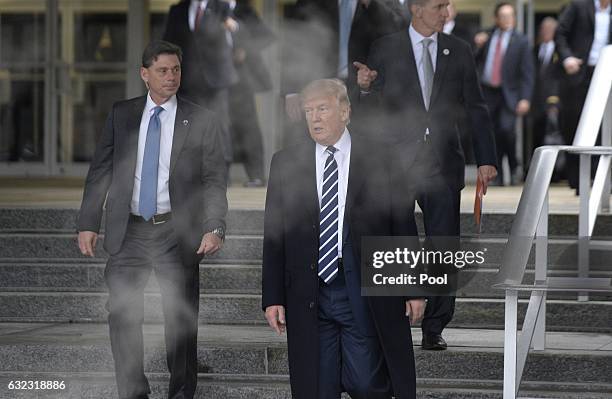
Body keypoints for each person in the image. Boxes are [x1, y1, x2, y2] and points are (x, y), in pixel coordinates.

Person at [76, 40, 228, 399]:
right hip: (128, 233)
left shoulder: (201, 119)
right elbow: (101, 171)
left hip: (177, 233)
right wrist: (88, 222)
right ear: (145, 74)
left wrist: (215, 225)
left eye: (176, 69)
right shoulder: (122, 114)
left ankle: (180, 394)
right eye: (162, 70)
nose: (171, 77)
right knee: (124, 317)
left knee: (180, 320)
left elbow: (214, 180)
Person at [262, 78, 425, 398]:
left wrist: (413, 288)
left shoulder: (381, 157)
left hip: (362, 289)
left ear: (346, 111)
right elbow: (274, 235)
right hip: (310, 292)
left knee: (369, 384)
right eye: (309, 110)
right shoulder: (286, 162)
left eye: (322, 109)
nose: (314, 117)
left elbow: (401, 224)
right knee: (317, 386)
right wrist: (272, 296)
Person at [354, 0, 497, 350]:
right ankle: (393, 316)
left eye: (446, 6)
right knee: (393, 242)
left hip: (442, 163)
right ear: (416, 8)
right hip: (394, 164)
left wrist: (486, 158)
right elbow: (370, 112)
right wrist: (364, 88)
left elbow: (476, 106)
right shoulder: (385, 47)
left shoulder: (458, 50)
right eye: (439, 6)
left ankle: (435, 325)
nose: (446, 13)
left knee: (443, 245)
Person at [281, 0, 406, 144]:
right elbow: (292, 40)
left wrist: (373, 5)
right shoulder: (312, 3)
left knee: (360, 146)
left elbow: (397, 33)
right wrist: (291, 91)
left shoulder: (379, 5)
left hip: (361, 89)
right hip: (317, 85)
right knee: (313, 147)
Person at [163, 0, 239, 177]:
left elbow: (238, 28)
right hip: (187, 80)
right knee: (186, 126)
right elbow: (168, 43)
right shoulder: (178, 10)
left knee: (219, 125)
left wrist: (233, 27)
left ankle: (220, 174)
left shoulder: (222, 6)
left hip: (216, 79)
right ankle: (189, 173)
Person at [474, 2, 535, 186]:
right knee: (490, 134)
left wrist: (525, 98)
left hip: (509, 93)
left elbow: (527, 72)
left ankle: (515, 166)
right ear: (496, 19)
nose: (507, 20)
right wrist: (478, 43)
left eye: (510, 16)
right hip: (487, 92)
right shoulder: (487, 36)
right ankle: (497, 174)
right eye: (503, 16)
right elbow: (474, 60)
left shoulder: (522, 41)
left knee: (506, 130)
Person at [555, 0, 611, 191]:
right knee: (577, 124)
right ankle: (578, 180)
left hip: (606, 73)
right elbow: (560, 33)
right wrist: (567, 57)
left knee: (606, 126)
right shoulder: (579, 5)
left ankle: (601, 179)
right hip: (579, 73)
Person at [227, 0, 275, 187]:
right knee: (216, 126)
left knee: (248, 125)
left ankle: (256, 175)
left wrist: (245, 49)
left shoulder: (243, 8)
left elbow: (266, 36)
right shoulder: (208, 8)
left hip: (240, 77)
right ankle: (220, 177)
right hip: (212, 77)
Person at [531, 17, 561, 150]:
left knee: (553, 139)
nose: (546, 32)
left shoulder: (561, 52)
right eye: (543, 29)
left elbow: (560, 79)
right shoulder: (534, 50)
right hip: (535, 103)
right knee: (536, 138)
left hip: (554, 102)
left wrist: (555, 102)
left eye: (550, 29)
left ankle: (557, 171)